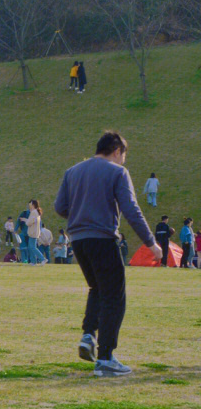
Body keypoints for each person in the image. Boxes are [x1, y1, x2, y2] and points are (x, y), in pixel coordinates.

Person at [54, 131, 158, 377]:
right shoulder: (117, 172)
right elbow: (131, 209)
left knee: (98, 289)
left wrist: (82, 215)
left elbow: (60, 207)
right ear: (116, 151)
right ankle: (105, 358)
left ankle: (88, 335)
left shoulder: (73, 171)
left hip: (79, 240)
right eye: (123, 155)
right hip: (102, 239)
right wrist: (151, 242)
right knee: (115, 296)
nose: (123, 161)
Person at [24, 200, 45, 265]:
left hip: (33, 232)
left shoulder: (33, 212)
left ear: (33, 205)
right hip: (34, 232)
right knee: (31, 247)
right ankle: (33, 261)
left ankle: (42, 259)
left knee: (32, 247)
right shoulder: (36, 212)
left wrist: (26, 221)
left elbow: (29, 223)